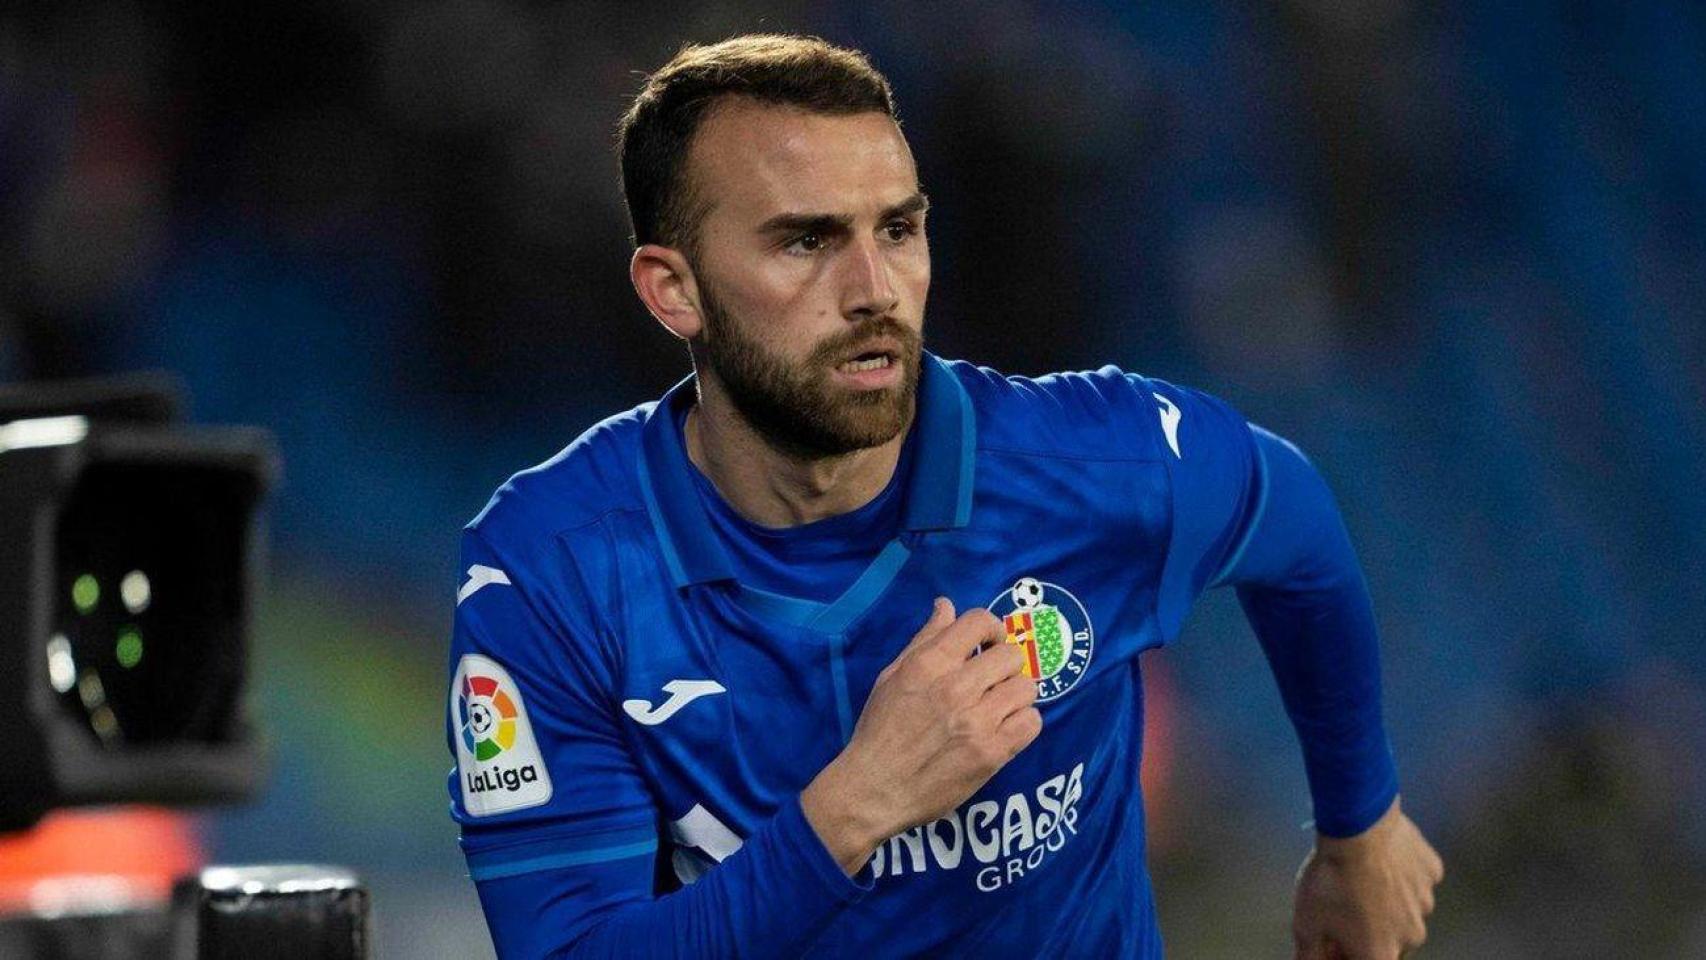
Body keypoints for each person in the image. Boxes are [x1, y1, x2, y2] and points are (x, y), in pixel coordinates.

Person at [446, 34, 1443, 959]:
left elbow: (1296, 526)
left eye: (897, 228)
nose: (873, 287)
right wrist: (853, 810)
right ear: (675, 290)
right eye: (803, 242)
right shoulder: (546, 574)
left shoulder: (1095, 465)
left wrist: (1361, 828)